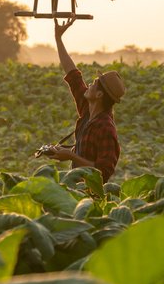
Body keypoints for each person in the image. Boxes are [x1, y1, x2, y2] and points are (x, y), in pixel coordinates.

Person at [43, 18, 124, 181]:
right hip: (75, 188)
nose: (88, 85)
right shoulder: (88, 110)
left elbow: (103, 172)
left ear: (100, 95)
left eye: (93, 84)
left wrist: (72, 157)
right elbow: (73, 74)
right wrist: (58, 39)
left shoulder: (106, 128)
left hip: (91, 196)